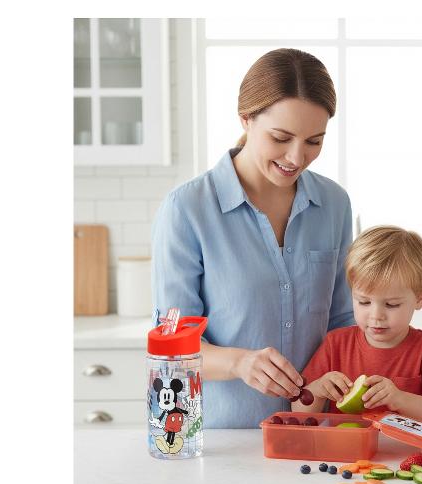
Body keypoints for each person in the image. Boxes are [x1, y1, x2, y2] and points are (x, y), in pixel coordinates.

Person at [152, 48, 355, 428]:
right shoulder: (187, 210)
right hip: (224, 440)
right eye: (281, 137)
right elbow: (173, 345)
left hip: (316, 437)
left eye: (314, 141)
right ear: (246, 119)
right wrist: (238, 362)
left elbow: (343, 323)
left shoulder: (334, 204)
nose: (297, 157)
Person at [293, 226, 422, 429]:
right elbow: (298, 412)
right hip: (347, 457)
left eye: (391, 305)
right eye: (364, 302)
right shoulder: (335, 343)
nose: (376, 316)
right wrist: (319, 390)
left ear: (420, 298)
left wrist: (399, 399)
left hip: (404, 457)